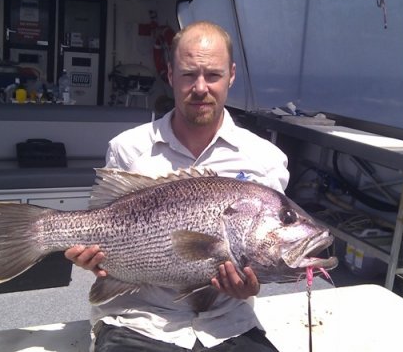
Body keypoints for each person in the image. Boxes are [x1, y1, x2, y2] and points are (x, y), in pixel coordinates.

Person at [65, 20, 289, 351]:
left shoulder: (264, 158)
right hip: (139, 320)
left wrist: (250, 286)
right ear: (170, 75)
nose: (200, 87)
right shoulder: (128, 148)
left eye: (212, 75)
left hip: (227, 324)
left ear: (231, 75)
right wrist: (92, 258)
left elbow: (265, 250)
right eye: (188, 75)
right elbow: (104, 225)